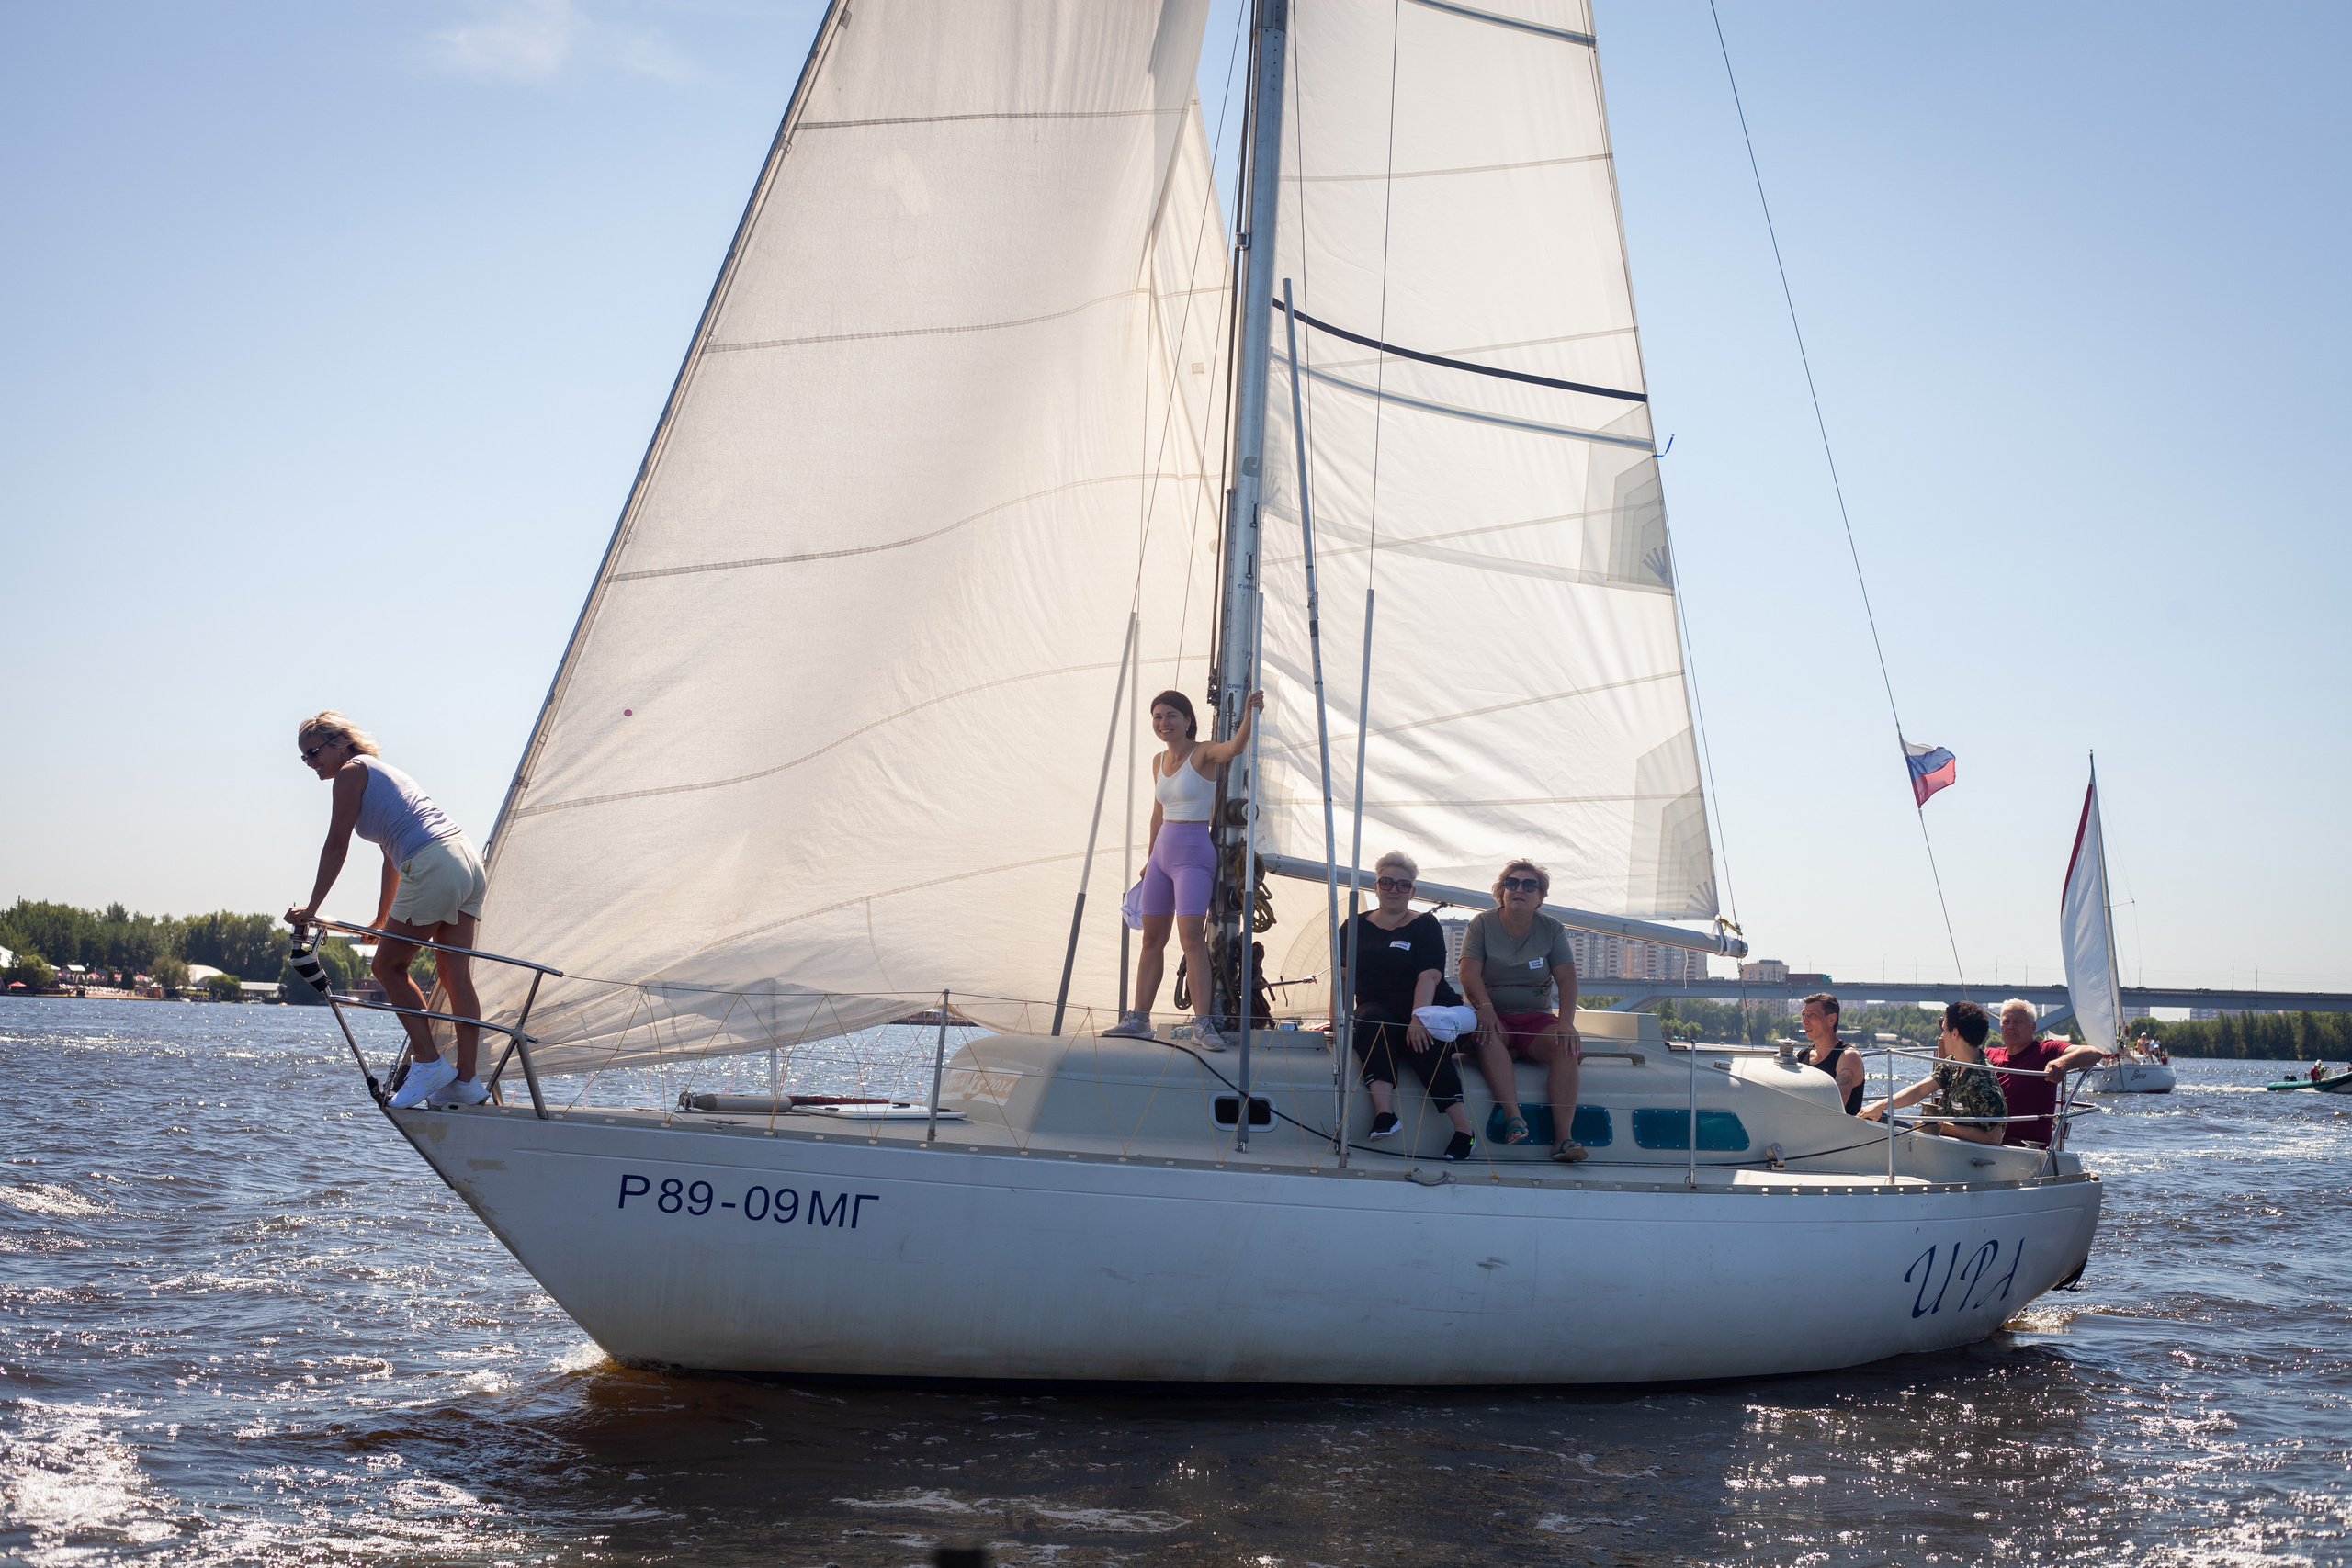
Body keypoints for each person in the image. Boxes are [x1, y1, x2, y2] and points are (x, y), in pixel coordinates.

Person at [284, 712, 490, 1109]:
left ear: (340, 744)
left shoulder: (350, 773)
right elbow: (389, 857)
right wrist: (382, 918)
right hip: (464, 860)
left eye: (313, 753)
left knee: (388, 968)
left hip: (432, 863)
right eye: (303, 757)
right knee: (454, 973)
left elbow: (336, 844)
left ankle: (429, 1063)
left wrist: (312, 907)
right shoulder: (379, 771)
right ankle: (466, 1080)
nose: (309, 762)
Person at [1102, 688, 1261, 1049]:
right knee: (1151, 940)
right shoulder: (1157, 760)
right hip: (1161, 856)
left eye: (1171, 715)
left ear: (1188, 720)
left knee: (1191, 939)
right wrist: (1149, 860)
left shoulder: (1203, 752)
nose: (1164, 723)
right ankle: (1138, 1019)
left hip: (1193, 855)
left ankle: (1203, 1024)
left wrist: (1250, 716)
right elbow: (1157, 814)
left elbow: (1234, 749)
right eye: (1158, 717)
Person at [1333, 851, 1478, 1162]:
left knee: (1422, 1043)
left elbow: (1429, 976)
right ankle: (1385, 1115)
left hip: (1432, 1009)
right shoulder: (1353, 926)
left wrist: (1418, 1018)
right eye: (1387, 882)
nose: (1394, 889)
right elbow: (1343, 976)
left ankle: (1464, 1130)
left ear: (1412, 891)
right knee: (1369, 1016)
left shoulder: (1425, 925)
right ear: (1376, 886)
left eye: (1403, 884)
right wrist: (1337, 1021)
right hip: (1381, 1015)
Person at [1458, 859, 1587, 1162]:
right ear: (1501, 891)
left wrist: (1566, 1023)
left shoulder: (1551, 929)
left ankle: (1564, 1139)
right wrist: (1484, 1007)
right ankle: (1513, 1117)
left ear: (1540, 897)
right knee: (1487, 1034)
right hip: (1492, 1013)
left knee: (1566, 1047)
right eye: (1512, 883)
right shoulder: (1481, 925)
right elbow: (1468, 974)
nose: (1520, 889)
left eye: (1530, 886)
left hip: (1535, 1018)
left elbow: (1567, 979)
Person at [1859, 999, 2008, 1145]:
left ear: (1955, 1034)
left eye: (1944, 1030)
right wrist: (1881, 1105)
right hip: (1942, 1143)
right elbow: (1919, 1091)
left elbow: (1994, 1137)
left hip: (1961, 1152)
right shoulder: (1953, 1063)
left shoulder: (1983, 1082)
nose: (1941, 1037)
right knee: (1878, 1119)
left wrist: (1944, 1127)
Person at [1983, 998, 2108, 1147]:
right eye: (2006, 1021)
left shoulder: (2046, 1051)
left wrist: (2062, 1063)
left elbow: (2093, 1053)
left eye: (2018, 1021)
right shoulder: (1989, 1054)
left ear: (2033, 1027)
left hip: (2026, 1148)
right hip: (1986, 1141)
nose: (2011, 1026)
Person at [1794, 991, 1868, 1113]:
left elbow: (1834, 1109)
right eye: (1803, 1015)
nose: (1804, 1021)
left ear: (1832, 1019)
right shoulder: (1801, 1056)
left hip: (1837, 1125)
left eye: (1812, 1015)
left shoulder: (1848, 1057)